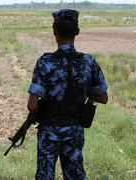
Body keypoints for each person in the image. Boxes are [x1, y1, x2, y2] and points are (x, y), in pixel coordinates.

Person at [27, 9, 108, 180]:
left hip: (48, 130)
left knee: (45, 176)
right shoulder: (88, 62)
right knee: (75, 176)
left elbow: (32, 105)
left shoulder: (45, 62)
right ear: (77, 32)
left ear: (54, 31)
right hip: (74, 130)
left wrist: (38, 112)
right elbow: (103, 97)